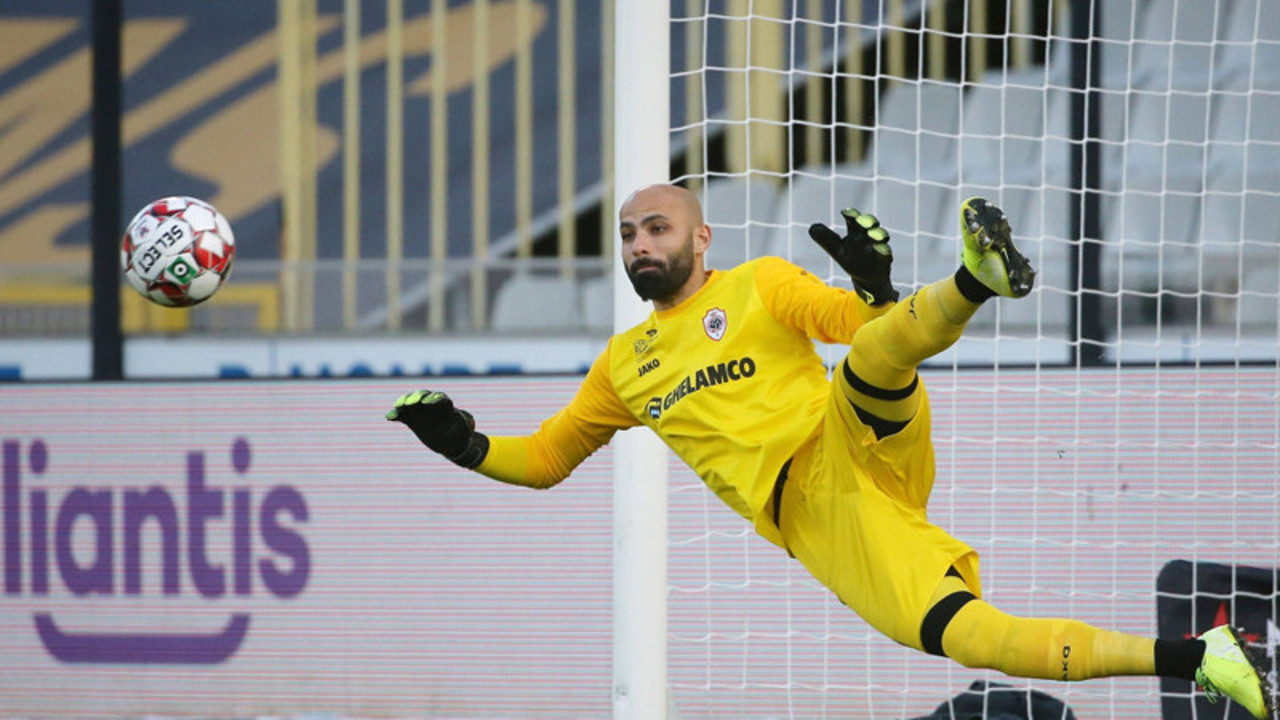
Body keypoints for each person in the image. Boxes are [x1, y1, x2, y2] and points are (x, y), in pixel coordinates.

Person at [388, 183, 1272, 718]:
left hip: (849, 436)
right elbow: (546, 459)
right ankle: (1205, 658)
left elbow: (862, 324)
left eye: (656, 227)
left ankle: (975, 279)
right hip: (826, 516)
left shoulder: (761, 284)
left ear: (700, 238)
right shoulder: (623, 365)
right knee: (975, 638)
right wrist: (463, 444)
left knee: (873, 359)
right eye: (627, 234)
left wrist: (876, 286)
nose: (640, 244)